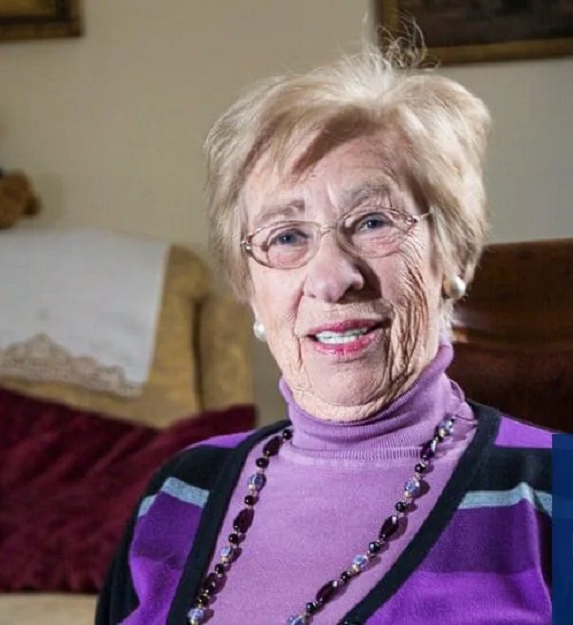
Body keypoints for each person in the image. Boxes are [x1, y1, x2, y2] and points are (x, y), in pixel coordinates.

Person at [96, 43, 552, 625]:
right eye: (286, 236)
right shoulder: (179, 495)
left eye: (373, 222)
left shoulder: (553, 496)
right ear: (250, 286)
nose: (333, 279)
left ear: (453, 255)